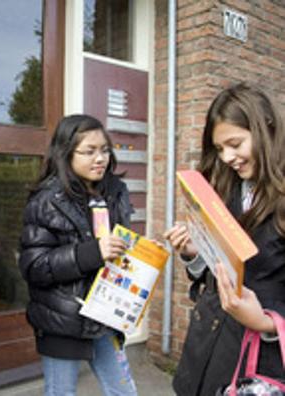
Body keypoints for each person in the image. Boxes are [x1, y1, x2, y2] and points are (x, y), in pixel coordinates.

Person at [164, 83, 285, 395]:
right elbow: (216, 273)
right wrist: (193, 252)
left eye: (235, 143)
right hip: (205, 350)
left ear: (267, 128)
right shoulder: (224, 187)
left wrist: (268, 323)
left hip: (258, 366)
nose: (228, 157)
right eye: (219, 149)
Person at [19, 114, 137, 396]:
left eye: (105, 150)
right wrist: (92, 253)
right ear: (66, 153)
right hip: (61, 318)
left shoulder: (115, 192)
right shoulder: (45, 201)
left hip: (106, 313)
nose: (100, 159)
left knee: (124, 392)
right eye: (89, 151)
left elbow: (118, 246)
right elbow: (34, 267)